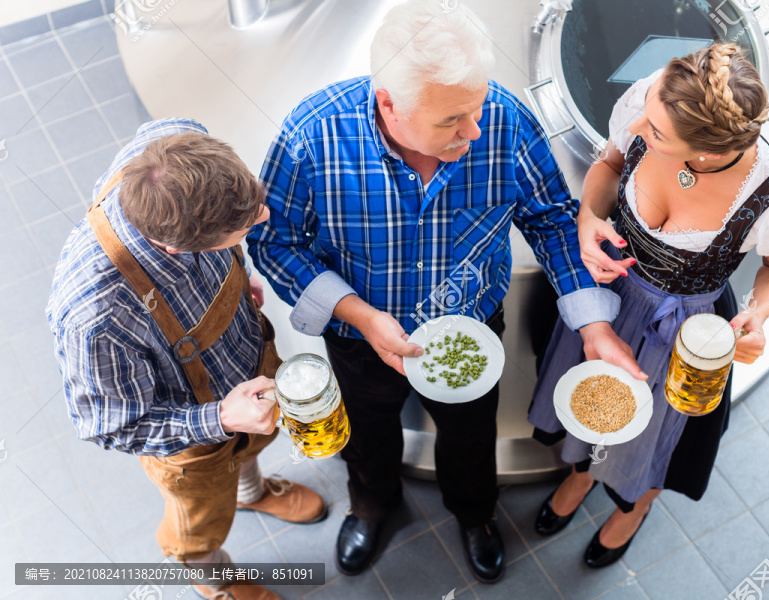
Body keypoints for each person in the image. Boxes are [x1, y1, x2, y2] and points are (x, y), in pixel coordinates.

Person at [246, 0, 643, 584]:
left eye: (476, 108)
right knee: (366, 430)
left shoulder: (504, 121)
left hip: (472, 331)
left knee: (470, 438)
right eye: (452, 120)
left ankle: (476, 515)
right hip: (359, 338)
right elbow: (274, 243)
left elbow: (553, 220)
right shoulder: (312, 138)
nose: (475, 130)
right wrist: (359, 314)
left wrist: (595, 326)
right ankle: (371, 505)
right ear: (389, 105)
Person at [528, 42, 769, 568]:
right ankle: (581, 475)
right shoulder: (654, 102)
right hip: (609, 293)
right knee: (596, 402)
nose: (639, 129)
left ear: (704, 152)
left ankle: (631, 509)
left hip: (685, 329)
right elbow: (609, 165)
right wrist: (590, 218)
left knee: (664, 435)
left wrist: (756, 312)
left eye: (657, 134)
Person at [47, 119, 327, 600]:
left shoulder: (174, 138)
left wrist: (235, 273)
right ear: (176, 248)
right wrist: (221, 416)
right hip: (193, 440)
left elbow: (228, 216)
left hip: (248, 356)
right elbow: (112, 427)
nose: (264, 217)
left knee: (252, 448)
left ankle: (253, 493)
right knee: (198, 526)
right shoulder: (95, 316)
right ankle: (210, 578)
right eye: (245, 225)